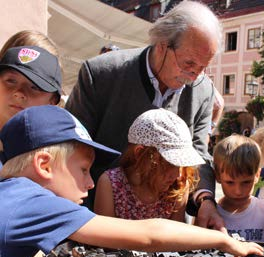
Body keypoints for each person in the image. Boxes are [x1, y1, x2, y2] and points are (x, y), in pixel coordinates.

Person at [0, 105, 263, 257]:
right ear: (44, 165)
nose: (90, 183)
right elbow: (151, 234)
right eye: (82, 170)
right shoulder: (35, 203)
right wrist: (223, 241)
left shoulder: (13, 194)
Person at [65, 0, 224, 231]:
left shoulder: (203, 91)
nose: (194, 76)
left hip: (165, 224)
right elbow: (71, 149)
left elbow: (199, 155)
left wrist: (206, 201)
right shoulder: (101, 75)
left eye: (203, 67)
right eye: (189, 63)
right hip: (97, 220)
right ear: (162, 45)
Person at [94, 108, 202, 222]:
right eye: (170, 163)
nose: (177, 174)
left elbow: (175, 237)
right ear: (139, 153)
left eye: (181, 164)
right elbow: (103, 236)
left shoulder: (178, 186)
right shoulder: (111, 184)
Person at [212, 134, 264, 242]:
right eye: (230, 182)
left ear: (257, 176)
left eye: (246, 182)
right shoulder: (210, 213)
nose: (238, 191)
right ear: (217, 176)